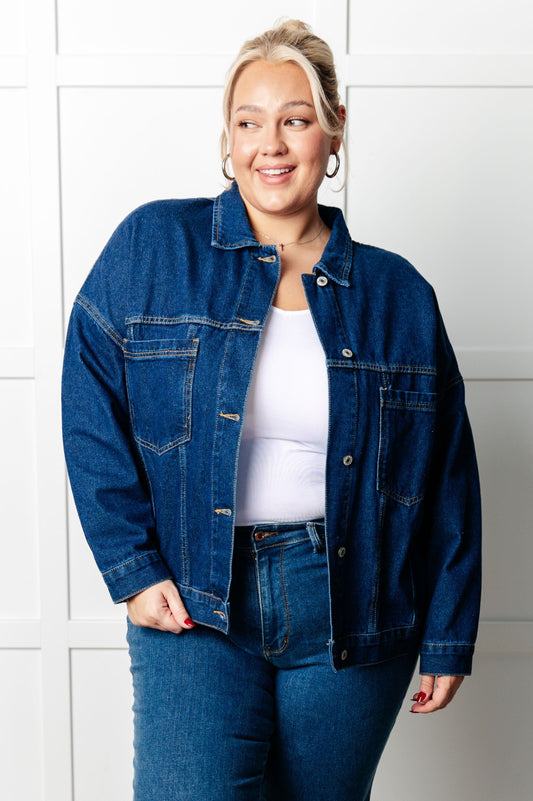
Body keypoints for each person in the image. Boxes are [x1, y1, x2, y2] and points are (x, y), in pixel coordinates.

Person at [61, 19, 481, 801]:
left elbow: (447, 473)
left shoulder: (398, 297)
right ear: (227, 138)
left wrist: (449, 635)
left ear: (333, 129)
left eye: (293, 119)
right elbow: (90, 398)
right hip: (195, 602)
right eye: (248, 122)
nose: (271, 144)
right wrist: (131, 566)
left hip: (349, 608)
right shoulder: (154, 247)